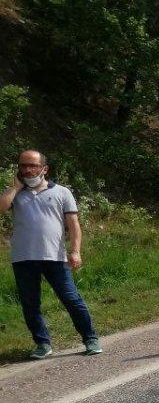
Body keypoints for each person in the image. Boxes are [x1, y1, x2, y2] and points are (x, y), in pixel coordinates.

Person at [1, 150, 102, 359]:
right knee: (30, 304)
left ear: (44, 169)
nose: (27, 170)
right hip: (23, 258)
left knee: (71, 299)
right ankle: (42, 343)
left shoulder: (62, 192)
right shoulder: (15, 193)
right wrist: (15, 188)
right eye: (23, 165)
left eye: (33, 165)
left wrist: (75, 251)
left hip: (55, 257)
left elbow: (73, 225)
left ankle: (90, 338)